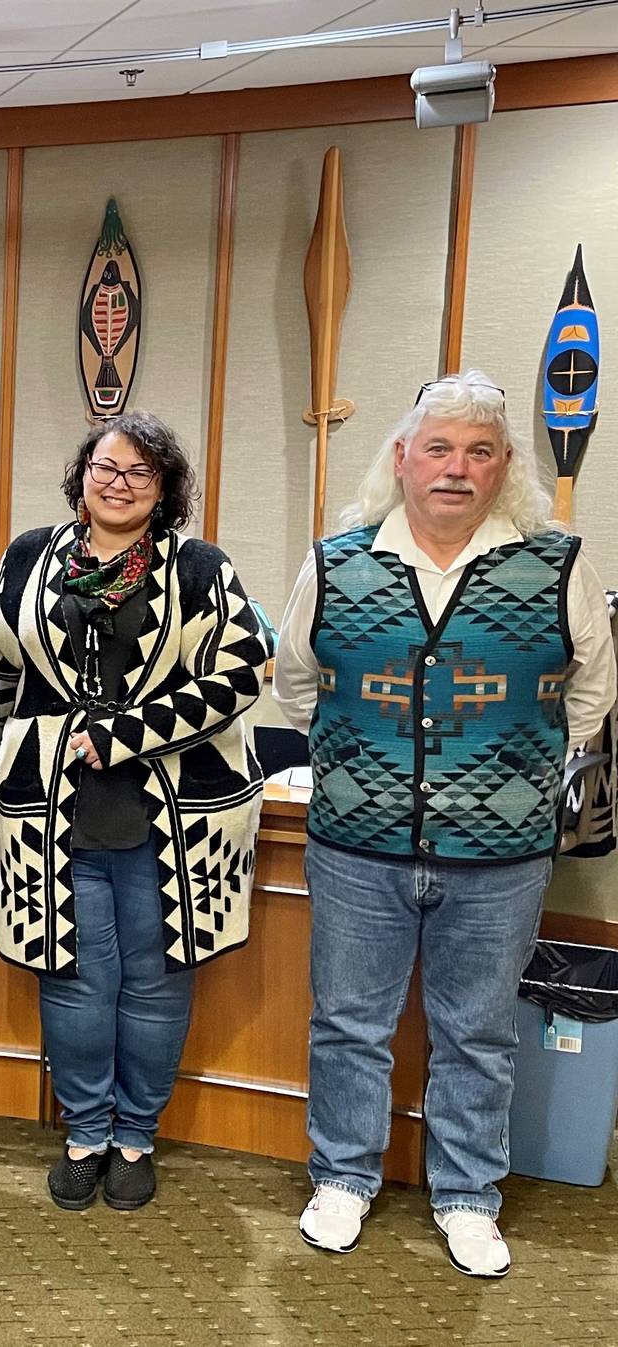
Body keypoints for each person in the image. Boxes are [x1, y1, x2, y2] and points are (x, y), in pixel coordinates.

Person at [275, 371, 612, 1277]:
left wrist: (508, 781)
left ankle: (469, 1196)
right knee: (349, 1021)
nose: (456, 469)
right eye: (438, 448)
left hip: (500, 858)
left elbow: (591, 697)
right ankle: (342, 1176)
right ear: (402, 459)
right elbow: (297, 683)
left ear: (505, 468)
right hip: (356, 848)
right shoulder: (339, 559)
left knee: (480, 1028)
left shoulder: (558, 564)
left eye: (478, 452)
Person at [0, 410, 267, 1212]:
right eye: (107, 467)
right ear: (83, 475)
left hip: (174, 814)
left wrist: (128, 735)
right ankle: (85, 1133)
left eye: (140, 473)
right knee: (72, 976)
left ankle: (136, 1134)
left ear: (166, 490)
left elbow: (244, 670)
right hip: (48, 808)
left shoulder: (201, 567)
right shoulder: (31, 555)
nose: (118, 482)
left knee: (153, 980)